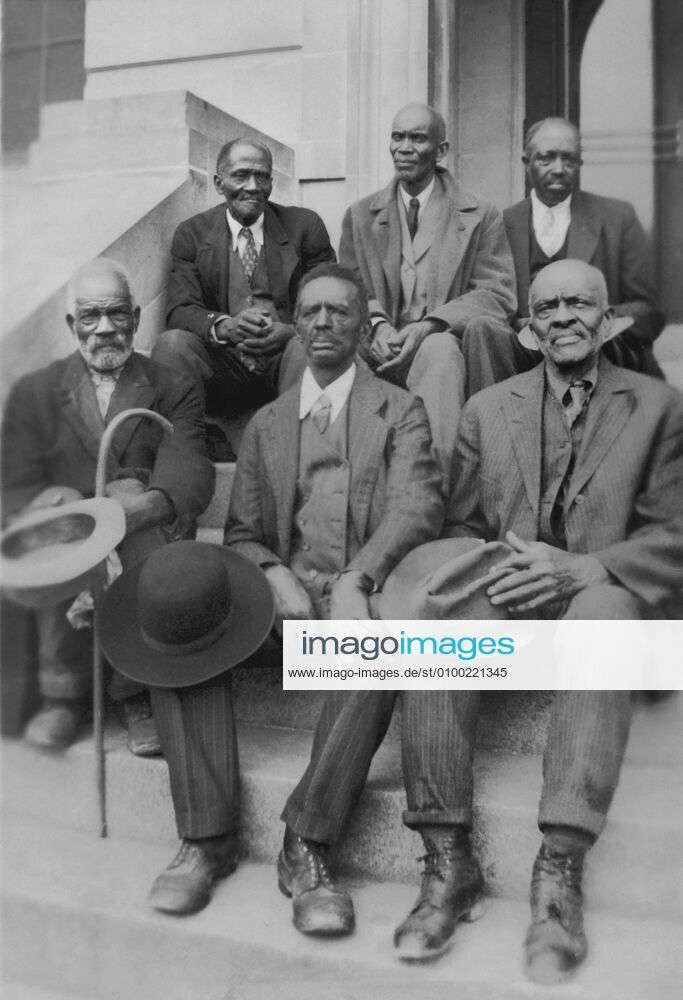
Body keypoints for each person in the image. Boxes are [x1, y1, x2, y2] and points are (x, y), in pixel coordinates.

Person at [408, 258, 683, 981]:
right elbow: (461, 526)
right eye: (547, 308)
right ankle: (446, 860)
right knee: (435, 631)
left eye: (578, 304)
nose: (562, 317)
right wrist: (494, 565)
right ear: (527, 331)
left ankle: (557, 872)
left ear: (608, 320)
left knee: (598, 626)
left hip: (609, 587)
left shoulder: (659, 407)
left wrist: (588, 566)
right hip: (513, 585)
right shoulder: (484, 407)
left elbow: (674, 533)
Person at [224, 263, 444, 937]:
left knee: (382, 652)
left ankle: (307, 841)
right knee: (182, 611)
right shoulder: (266, 423)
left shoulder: (399, 409)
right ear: (295, 323)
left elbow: (419, 506)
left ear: (360, 325)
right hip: (285, 610)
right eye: (311, 312)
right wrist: (271, 571)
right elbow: (240, 533)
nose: (323, 324)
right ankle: (203, 830)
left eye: (339, 313)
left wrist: (359, 577)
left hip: (353, 605)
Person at [1, 258, 214, 755]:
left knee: (131, 519)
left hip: (140, 524)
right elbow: (13, 482)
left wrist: (126, 514)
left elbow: (190, 466)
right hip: (70, 529)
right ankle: (62, 694)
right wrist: (53, 505)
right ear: (73, 325)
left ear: (137, 319)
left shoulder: (172, 383)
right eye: (91, 317)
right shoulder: (37, 390)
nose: (104, 330)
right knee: (60, 529)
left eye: (116, 314)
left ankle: (135, 690)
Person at [339, 102, 516, 486]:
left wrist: (430, 325)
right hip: (377, 344)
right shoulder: (359, 215)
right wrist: (378, 323)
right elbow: (349, 288)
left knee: (440, 354)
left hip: (438, 343)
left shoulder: (480, 214)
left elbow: (497, 294)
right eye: (397, 136)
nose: (404, 147)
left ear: (441, 150)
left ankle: (428, 488)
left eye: (417, 138)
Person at [152, 137, 336, 455]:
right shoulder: (192, 234)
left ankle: (302, 455)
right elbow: (180, 309)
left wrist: (291, 331)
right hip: (226, 366)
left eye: (262, 176)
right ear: (218, 182)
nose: (253, 186)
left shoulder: (305, 227)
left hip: (286, 361)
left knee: (309, 343)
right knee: (172, 345)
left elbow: (333, 303)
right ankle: (183, 453)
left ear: (271, 182)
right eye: (241, 175)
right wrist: (224, 326)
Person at [466, 118, 665, 394]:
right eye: (547, 158)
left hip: (595, 350)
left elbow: (648, 311)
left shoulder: (617, 218)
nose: (559, 169)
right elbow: (490, 299)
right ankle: (495, 425)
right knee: (480, 327)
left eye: (568, 159)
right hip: (523, 352)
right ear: (527, 163)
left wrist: (588, 319)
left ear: (580, 163)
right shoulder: (502, 223)